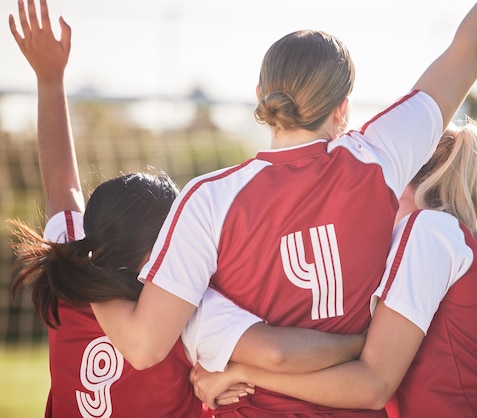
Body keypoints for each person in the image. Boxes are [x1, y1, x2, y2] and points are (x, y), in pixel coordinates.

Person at [91, 0, 477, 416]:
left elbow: (145, 347)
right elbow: (472, 48)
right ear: (343, 109)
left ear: (261, 94)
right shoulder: (378, 158)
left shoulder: (208, 198)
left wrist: (82, 264)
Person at [8, 0, 368, 416]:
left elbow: (61, 187)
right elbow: (275, 353)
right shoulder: (183, 310)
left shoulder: (67, 270)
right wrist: (361, 342)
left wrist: (49, 79)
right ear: (155, 254)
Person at [190, 118, 477, 417]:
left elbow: (371, 385)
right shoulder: (443, 238)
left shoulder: (429, 232)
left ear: (410, 184)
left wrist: (242, 373)